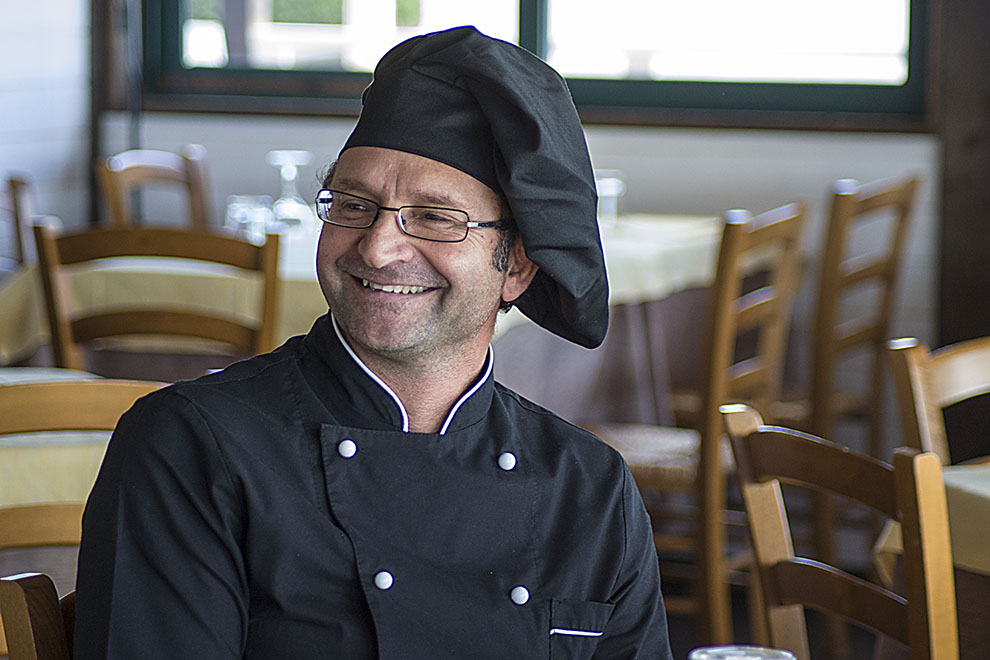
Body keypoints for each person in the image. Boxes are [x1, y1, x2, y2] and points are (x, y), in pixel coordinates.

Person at [74, 26, 673, 659]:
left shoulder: (589, 487)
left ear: (517, 267)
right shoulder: (193, 447)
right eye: (353, 205)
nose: (378, 248)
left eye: (436, 217)